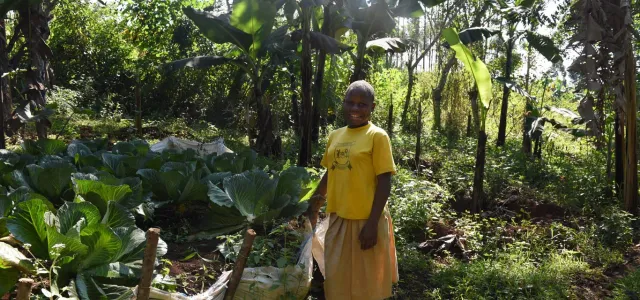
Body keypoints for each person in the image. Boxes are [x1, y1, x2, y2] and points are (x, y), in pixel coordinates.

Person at [308, 80, 398, 300]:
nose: (355, 109)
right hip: (338, 218)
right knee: (337, 278)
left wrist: (371, 225)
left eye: (362, 104)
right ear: (344, 104)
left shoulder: (377, 136)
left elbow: (384, 182)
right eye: (351, 103)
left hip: (367, 220)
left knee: (367, 283)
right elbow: (331, 172)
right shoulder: (335, 136)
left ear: (372, 107)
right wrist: (315, 201)